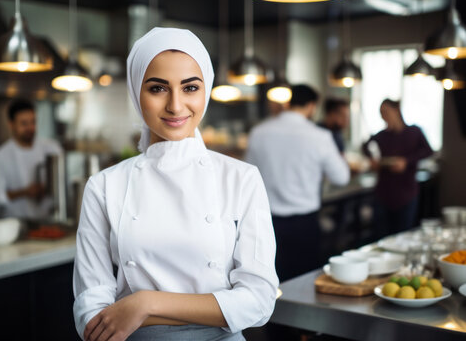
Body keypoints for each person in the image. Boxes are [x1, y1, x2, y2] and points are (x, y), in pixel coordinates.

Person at [73, 27, 278, 341]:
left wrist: (145, 303)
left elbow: (259, 302)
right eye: (157, 89)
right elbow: (92, 310)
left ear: (205, 90)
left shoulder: (241, 178)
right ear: (135, 92)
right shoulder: (103, 186)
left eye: (190, 88)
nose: (176, 105)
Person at [246, 85, 350, 282]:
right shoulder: (319, 136)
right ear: (312, 106)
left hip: (267, 222)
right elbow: (341, 177)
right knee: (303, 282)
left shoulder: (259, 132)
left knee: (269, 282)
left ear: (289, 102)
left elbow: (248, 174)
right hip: (304, 223)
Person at [363, 99, 433, 239]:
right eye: (381, 113)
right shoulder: (382, 135)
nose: (384, 116)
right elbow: (365, 146)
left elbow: (428, 151)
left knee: (402, 236)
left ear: (396, 110)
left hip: (406, 192)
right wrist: (373, 160)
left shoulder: (414, 131)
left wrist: (406, 161)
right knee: (381, 236)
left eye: (386, 112)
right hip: (383, 193)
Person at [0, 99, 62, 219]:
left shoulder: (52, 148)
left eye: (33, 122)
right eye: (24, 123)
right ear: (11, 124)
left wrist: (47, 188)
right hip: (15, 222)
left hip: (50, 220)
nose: (30, 128)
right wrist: (25, 192)